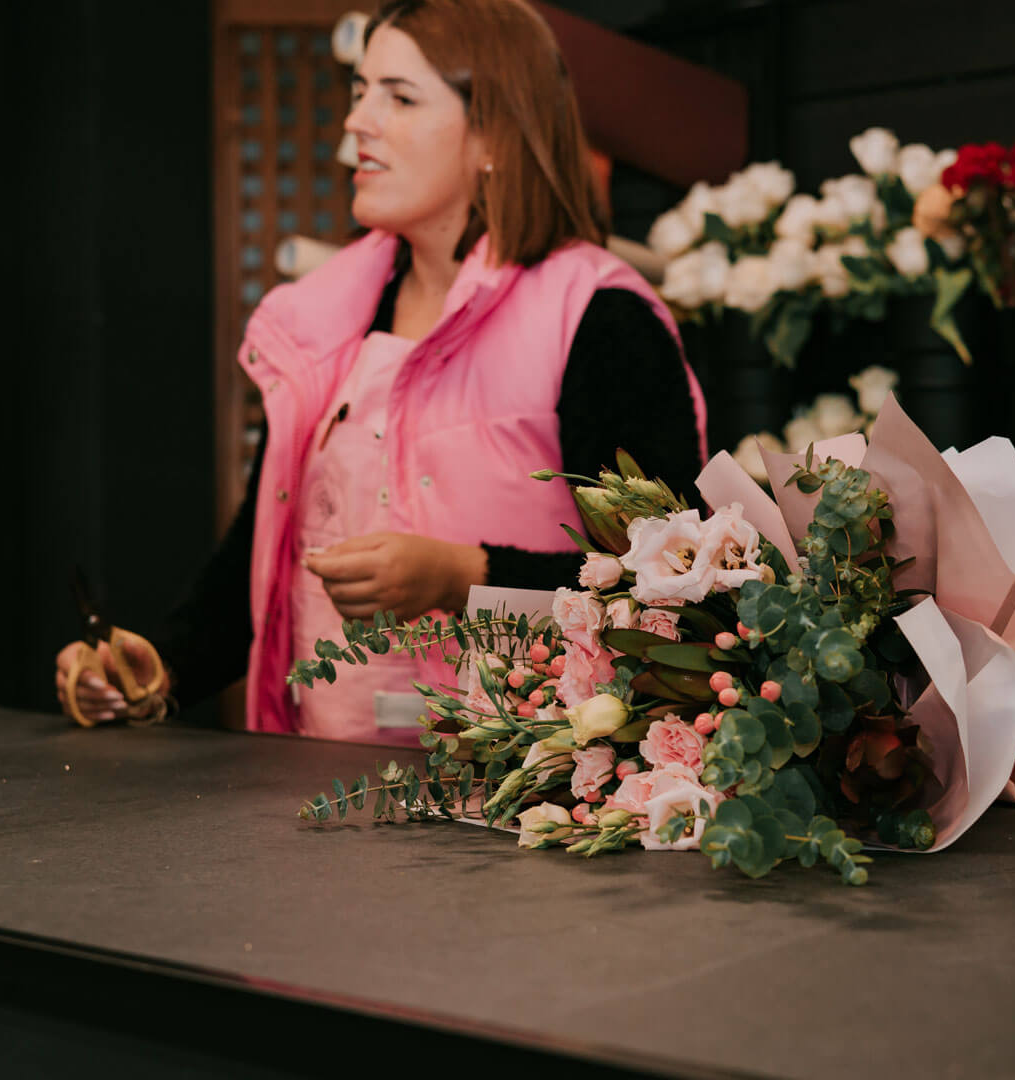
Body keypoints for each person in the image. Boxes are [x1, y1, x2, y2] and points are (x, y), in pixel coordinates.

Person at [54, 0, 707, 744]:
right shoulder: (319, 319)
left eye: (398, 97)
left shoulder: (601, 318)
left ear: (493, 133)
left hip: (529, 805)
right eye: (360, 91)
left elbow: (668, 592)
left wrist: (462, 575)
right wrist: (159, 670)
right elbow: (265, 560)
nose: (357, 122)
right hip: (318, 790)